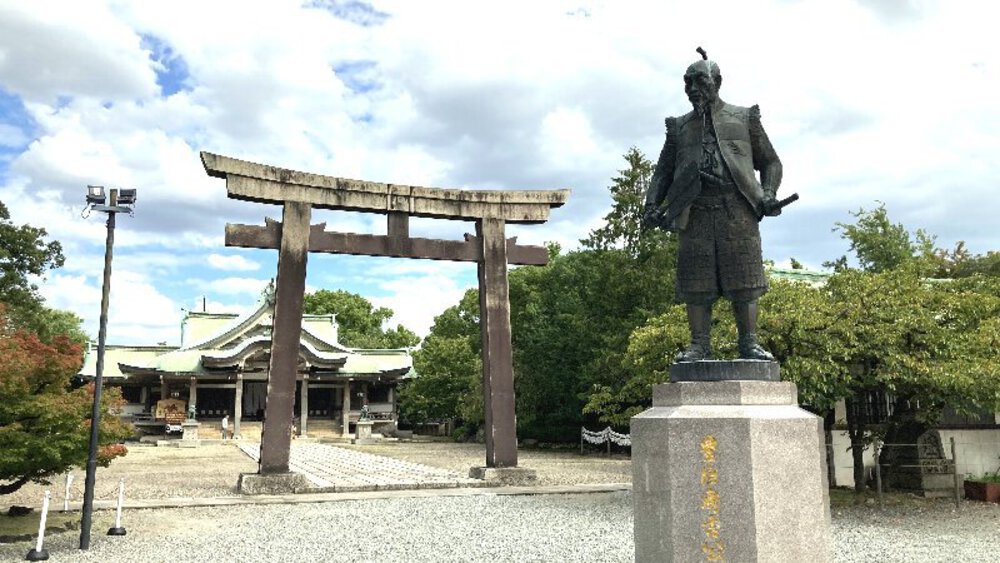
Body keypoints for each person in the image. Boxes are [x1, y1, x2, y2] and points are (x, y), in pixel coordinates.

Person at [643, 48, 783, 362]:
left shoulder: (745, 118)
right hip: (695, 214)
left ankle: (749, 343)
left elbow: (771, 162)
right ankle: (699, 344)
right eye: (687, 83)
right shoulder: (679, 127)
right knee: (696, 284)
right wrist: (652, 204)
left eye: (699, 81)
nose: (693, 89)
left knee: (744, 281)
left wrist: (769, 193)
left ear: (716, 82)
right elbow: (662, 172)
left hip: (737, 211)